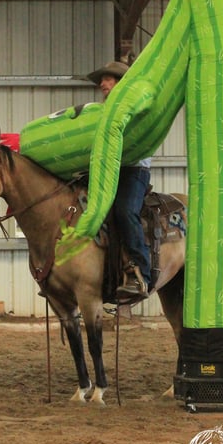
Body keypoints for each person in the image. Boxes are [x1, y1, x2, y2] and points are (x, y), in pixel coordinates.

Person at [86, 61, 151, 300]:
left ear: (121, 83)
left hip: (133, 170)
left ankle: (139, 272)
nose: (103, 83)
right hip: (105, 169)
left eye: (109, 78)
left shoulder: (135, 108)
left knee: (125, 211)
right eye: (102, 80)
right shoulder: (99, 112)